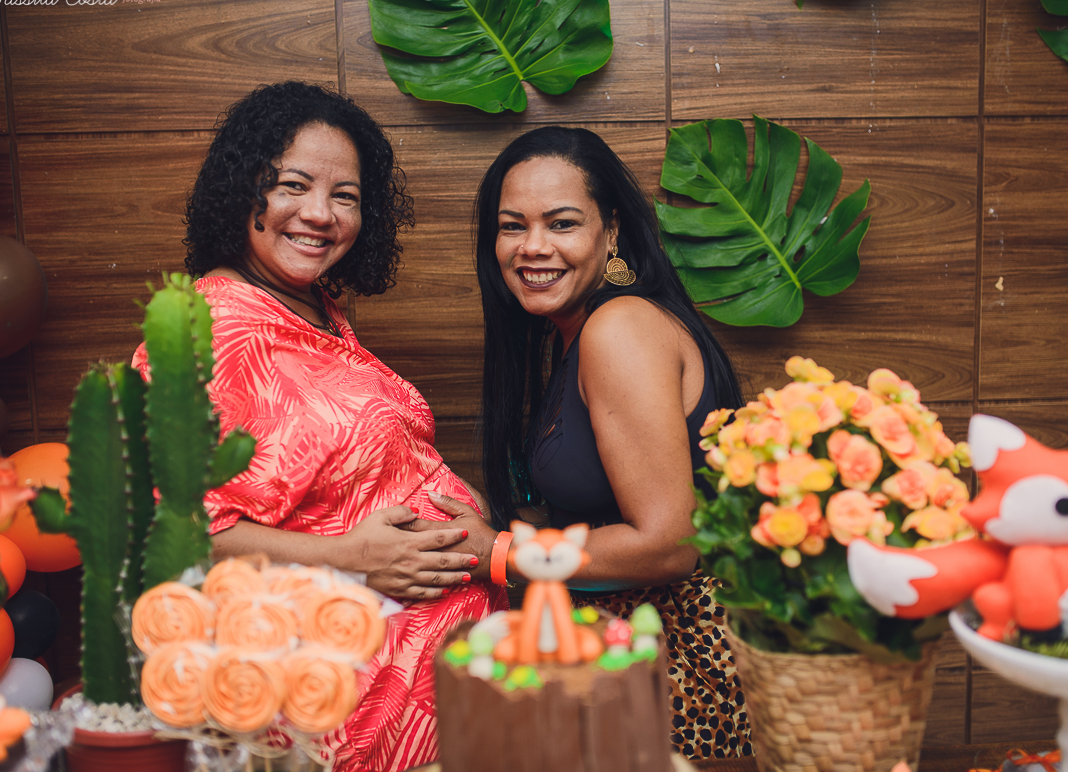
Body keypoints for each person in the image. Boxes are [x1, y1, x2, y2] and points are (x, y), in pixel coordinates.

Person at [132, 81, 503, 772]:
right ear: (244, 189)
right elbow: (171, 536)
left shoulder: (313, 308)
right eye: (293, 185)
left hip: (440, 667)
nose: (320, 214)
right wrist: (354, 558)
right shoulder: (201, 328)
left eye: (346, 197)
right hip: (352, 700)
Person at [456, 125, 753, 759]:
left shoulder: (619, 328)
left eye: (561, 224)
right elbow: (595, 504)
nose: (532, 248)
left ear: (611, 231)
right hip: (620, 659)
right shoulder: (572, 334)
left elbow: (668, 542)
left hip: (671, 677)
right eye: (512, 227)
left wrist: (503, 552)